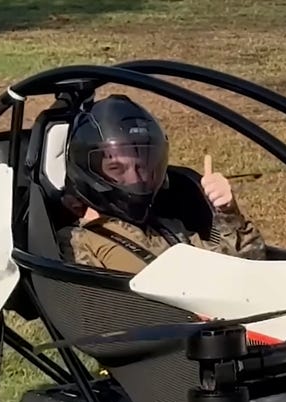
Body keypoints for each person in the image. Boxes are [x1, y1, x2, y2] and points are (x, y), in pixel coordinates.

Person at [54, 94, 266, 273]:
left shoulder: (170, 228)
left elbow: (245, 270)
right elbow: (100, 313)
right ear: (89, 171)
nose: (135, 179)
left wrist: (229, 213)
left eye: (143, 167)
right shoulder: (78, 241)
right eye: (117, 169)